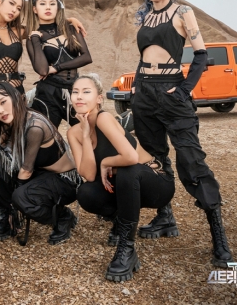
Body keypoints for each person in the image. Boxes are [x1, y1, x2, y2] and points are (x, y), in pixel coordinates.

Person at [131, 0, 233, 267]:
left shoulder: (182, 12)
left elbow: (201, 55)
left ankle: (219, 238)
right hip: (144, 93)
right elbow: (144, 56)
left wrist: (185, 89)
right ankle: (165, 217)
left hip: (172, 92)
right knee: (153, 158)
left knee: (191, 160)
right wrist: (137, 87)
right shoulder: (145, 16)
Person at [0, 0, 87, 231]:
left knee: (15, 147)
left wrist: (70, 19)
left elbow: (47, 22)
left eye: (18, 7)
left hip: (16, 92)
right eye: (11, 4)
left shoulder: (20, 31)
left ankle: (13, 207)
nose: (14, 10)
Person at [67, 74, 176, 282]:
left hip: (156, 183)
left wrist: (105, 162)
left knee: (128, 170)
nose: (79, 97)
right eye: (75, 92)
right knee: (86, 192)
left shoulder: (104, 118)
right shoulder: (74, 133)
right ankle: (120, 220)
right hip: (125, 188)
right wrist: (85, 135)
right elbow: (88, 175)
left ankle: (127, 247)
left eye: (86, 92)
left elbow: (131, 157)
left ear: (99, 98)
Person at [0, 81, 81, 245]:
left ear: (15, 98)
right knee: (0, 169)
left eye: (3, 102)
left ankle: (63, 217)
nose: (1, 111)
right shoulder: (14, 121)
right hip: (41, 173)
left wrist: (16, 201)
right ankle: (7, 219)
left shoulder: (35, 126)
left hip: (64, 180)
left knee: (21, 197)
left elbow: (25, 171)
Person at [26, 0, 92, 129]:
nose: (48, 7)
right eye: (42, 4)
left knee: (89, 131)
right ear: (35, 9)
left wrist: (57, 67)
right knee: (46, 136)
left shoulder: (71, 29)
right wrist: (36, 39)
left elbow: (86, 57)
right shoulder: (33, 38)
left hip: (74, 90)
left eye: (52, 4)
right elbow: (42, 70)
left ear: (58, 7)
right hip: (48, 93)